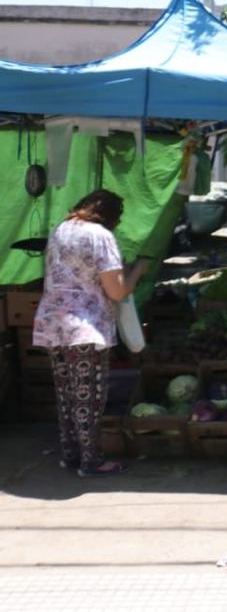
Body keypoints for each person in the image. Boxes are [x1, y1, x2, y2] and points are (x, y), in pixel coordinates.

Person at [33, 190, 149, 477]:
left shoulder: (61, 230)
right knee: (88, 397)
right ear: (111, 216)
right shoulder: (101, 236)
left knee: (67, 394)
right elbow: (117, 290)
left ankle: (71, 455)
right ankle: (92, 461)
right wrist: (138, 271)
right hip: (85, 327)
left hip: (53, 323)